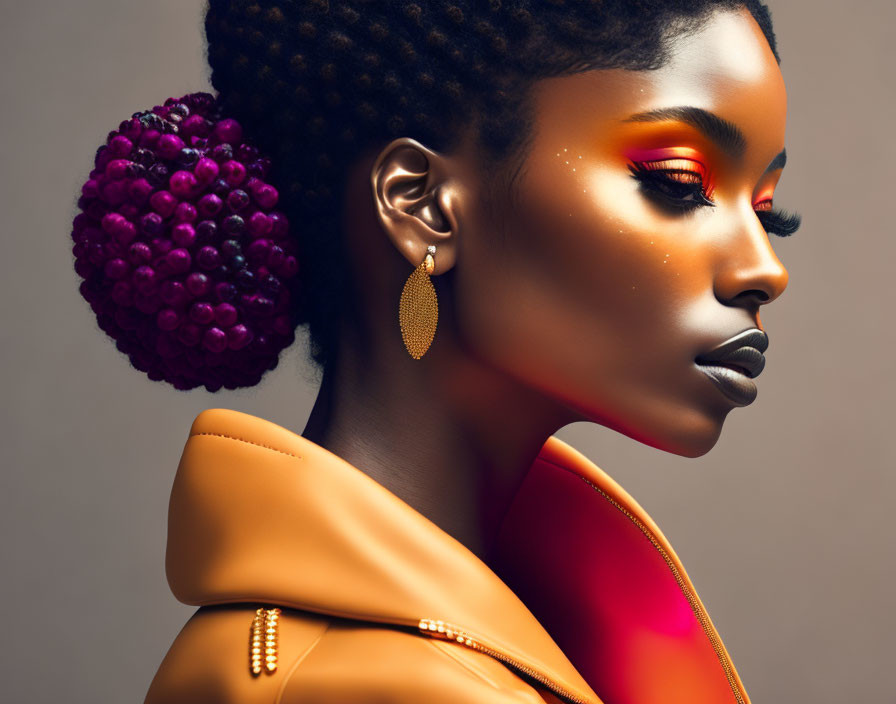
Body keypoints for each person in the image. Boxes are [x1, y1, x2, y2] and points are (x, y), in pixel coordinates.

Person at [70, 1, 802, 702]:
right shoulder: (371, 686)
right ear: (421, 205)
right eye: (680, 183)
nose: (764, 268)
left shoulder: (526, 630)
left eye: (768, 212)